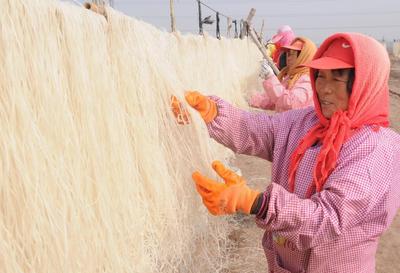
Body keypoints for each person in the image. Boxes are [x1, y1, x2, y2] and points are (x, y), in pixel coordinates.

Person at [176, 33, 400, 272]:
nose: (324, 89)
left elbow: (328, 218)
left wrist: (257, 203)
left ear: (365, 84)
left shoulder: (375, 148)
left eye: (337, 79)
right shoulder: (306, 122)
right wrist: (212, 113)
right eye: (320, 76)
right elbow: (259, 130)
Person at [250, 37, 317, 112]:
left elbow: (290, 103)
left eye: (292, 54)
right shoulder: (290, 77)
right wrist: (252, 100)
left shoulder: (308, 80)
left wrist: (270, 77)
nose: (288, 58)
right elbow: (273, 100)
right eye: (288, 54)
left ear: (303, 56)